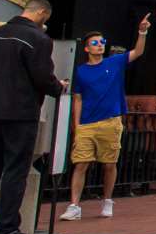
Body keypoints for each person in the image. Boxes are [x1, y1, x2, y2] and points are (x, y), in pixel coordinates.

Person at [0, 0, 66, 234]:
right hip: (20, 111)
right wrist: (58, 87)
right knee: (15, 170)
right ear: (42, 12)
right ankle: (8, 229)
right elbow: (42, 76)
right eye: (46, 17)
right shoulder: (38, 39)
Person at [61, 17, 149, 222]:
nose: (100, 45)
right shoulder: (81, 72)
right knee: (81, 163)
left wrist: (142, 33)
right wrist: (77, 126)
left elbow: (137, 52)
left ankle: (107, 200)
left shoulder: (114, 63)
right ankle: (74, 205)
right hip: (87, 123)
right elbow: (78, 99)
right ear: (86, 49)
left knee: (109, 163)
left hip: (110, 120)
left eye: (102, 42)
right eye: (95, 43)